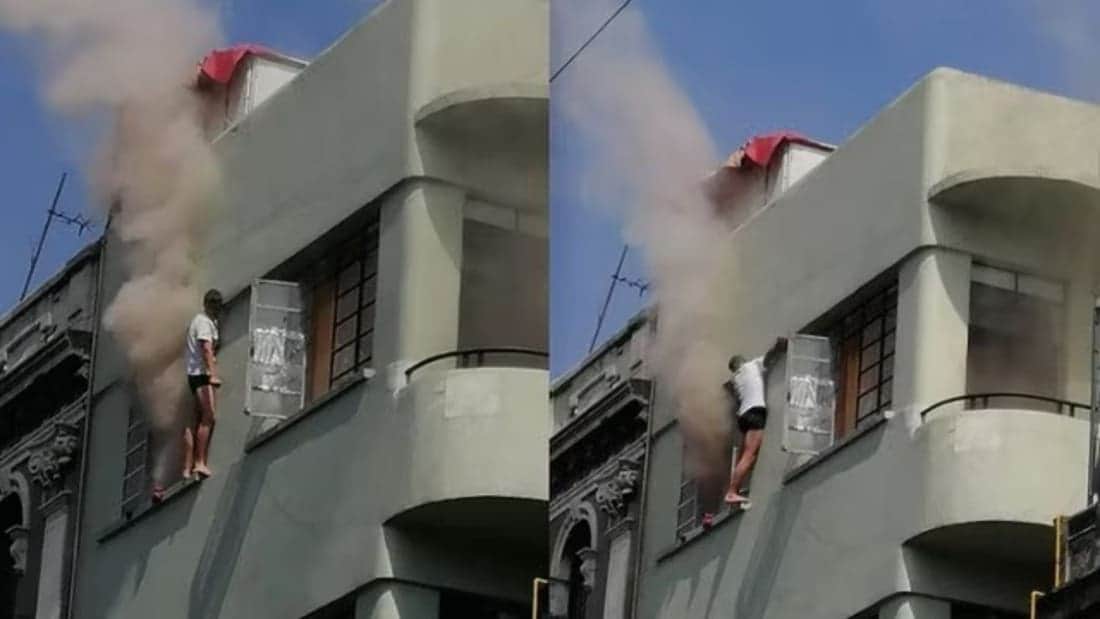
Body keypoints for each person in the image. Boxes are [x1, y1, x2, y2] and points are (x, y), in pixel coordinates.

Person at [722, 337, 786, 506]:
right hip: (755, 411)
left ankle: (735, 488)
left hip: (744, 415)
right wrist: (778, 346)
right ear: (743, 362)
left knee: (746, 454)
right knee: (749, 456)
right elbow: (769, 357)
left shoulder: (736, 379)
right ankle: (732, 492)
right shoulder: (752, 366)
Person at [182, 289, 223, 478]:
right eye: (214, 305)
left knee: (194, 420)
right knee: (208, 416)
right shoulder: (204, 323)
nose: (216, 309)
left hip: (193, 374)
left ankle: (187, 467)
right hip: (201, 374)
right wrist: (212, 375)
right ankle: (199, 462)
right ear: (207, 304)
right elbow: (206, 349)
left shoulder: (201, 321)